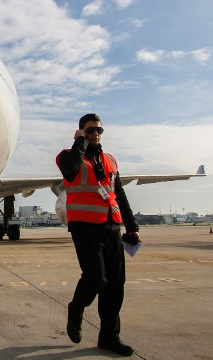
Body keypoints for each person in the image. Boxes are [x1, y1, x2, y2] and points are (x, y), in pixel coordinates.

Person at [55, 113, 140, 356]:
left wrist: (132, 227)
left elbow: (119, 194)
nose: (96, 134)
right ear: (81, 131)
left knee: (115, 286)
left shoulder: (110, 160)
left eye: (99, 130)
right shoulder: (67, 156)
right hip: (85, 227)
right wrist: (79, 142)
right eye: (91, 130)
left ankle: (109, 337)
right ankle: (76, 310)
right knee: (95, 278)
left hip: (112, 226)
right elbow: (71, 172)